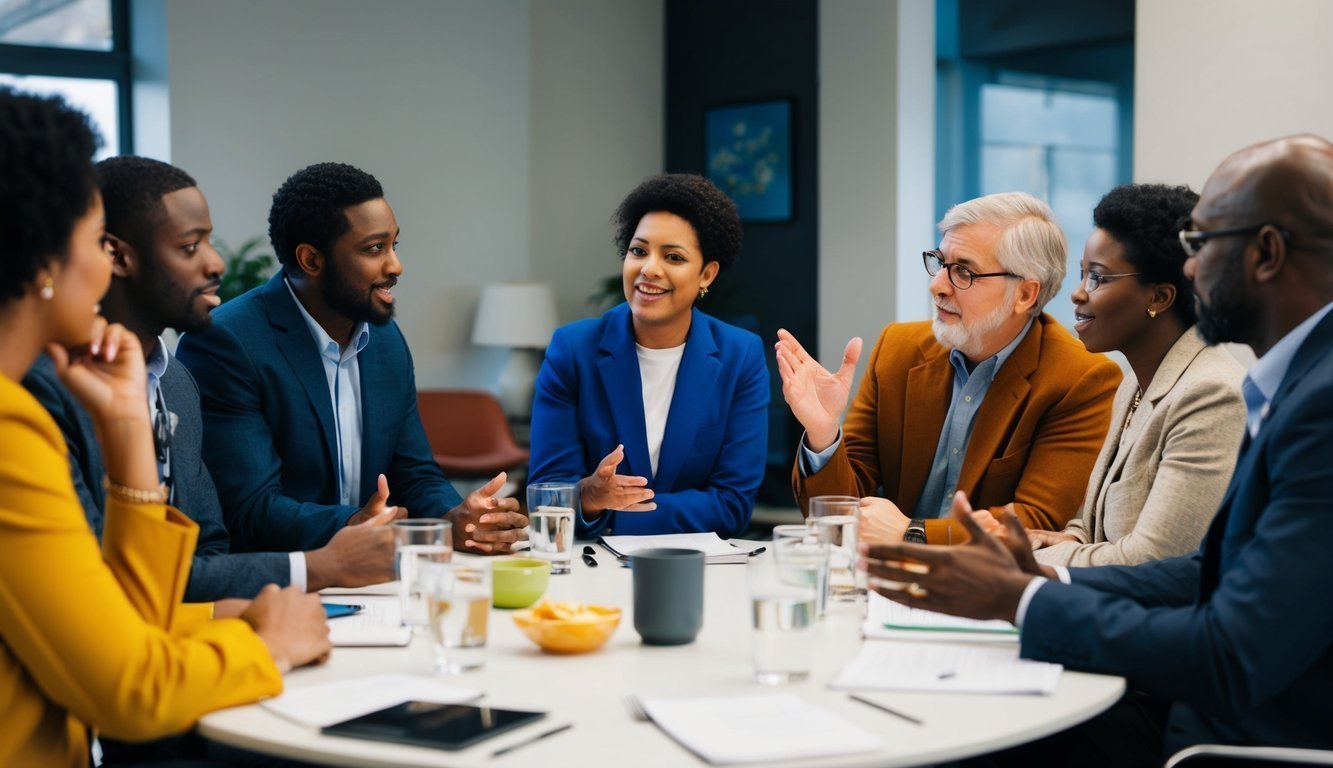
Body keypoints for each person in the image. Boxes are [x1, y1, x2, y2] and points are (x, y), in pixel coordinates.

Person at [862, 134, 1333, 762]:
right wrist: (1043, 576)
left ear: (1266, 253)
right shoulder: (1291, 381)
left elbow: (1230, 654)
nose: (1188, 268)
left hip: (1222, 736)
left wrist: (1023, 599)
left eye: (1200, 245)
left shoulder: (1315, 405)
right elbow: (1209, 569)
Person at [0, 88, 329, 767]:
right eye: (95, 242)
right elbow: (130, 690)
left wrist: (127, 436)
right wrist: (267, 643)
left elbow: (127, 626)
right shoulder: (9, 428)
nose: (105, 267)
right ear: (41, 264)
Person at [24, 156, 396, 602]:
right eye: (189, 247)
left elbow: (210, 549)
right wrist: (319, 566)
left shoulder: (175, 382)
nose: (216, 263)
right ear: (117, 255)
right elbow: (98, 585)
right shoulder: (41, 390)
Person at [176, 162, 527, 554]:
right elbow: (249, 510)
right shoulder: (226, 341)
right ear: (311, 260)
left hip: (373, 583)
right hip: (279, 585)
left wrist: (457, 517)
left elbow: (415, 472)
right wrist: (356, 525)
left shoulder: (385, 339)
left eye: (394, 245)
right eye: (374, 248)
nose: (395, 266)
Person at [778, 191, 1121, 544]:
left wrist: (912, 533)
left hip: (981, 590)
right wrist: (823, 433)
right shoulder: (898, 349)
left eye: (963, 271)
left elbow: (1031, 523)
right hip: (881, 582)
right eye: (940, 263)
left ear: (1025, 295)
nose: (937, 285)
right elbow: (837, 518)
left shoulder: (1082, 379)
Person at [973, 184, 1247, 567]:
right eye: (1083, 275)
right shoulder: (1134, 383)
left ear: (1159, 298)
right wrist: (1055, 539)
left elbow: (1153, 558)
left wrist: (1034, 559)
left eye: (1098, 279)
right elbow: (1092, 526)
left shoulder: (1212, 395)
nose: (1077, 294)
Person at [528, 174, 769, 537]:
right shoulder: (573, 350)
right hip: (591, 571)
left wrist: (609, 511)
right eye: (639, 251)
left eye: (673, 256)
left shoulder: (740, 356)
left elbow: (732, 504)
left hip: (696, 568)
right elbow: (548, 499)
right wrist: (589, 495)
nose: (649, 269)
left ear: (706, 274)